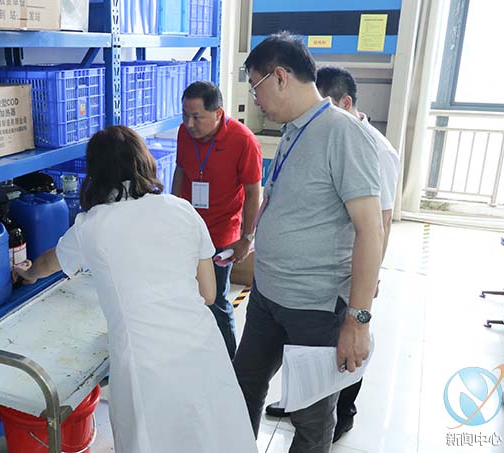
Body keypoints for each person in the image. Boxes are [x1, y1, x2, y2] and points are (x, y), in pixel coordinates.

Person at [14, 126, 258, 453]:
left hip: (145, 360)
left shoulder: (93, 225)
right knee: (212, 434)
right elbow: (208, 294)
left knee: (152, 440)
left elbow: (48, 263)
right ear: (145, 162)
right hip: (199, 348)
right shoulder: (182, 209)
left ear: (95, 174)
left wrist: (27, 273)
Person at [233, 32, 384, 452]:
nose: (256, 100)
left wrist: (357, 321)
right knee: (243, 386)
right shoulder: (295, 129)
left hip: (314, 307)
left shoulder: (343, 133)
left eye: (256, 86)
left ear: (280, 77)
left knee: (311, 416)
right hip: (267, 295)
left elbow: (371, 229)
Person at [265, 65, 401, 441]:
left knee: (342, 357)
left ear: (343, 103)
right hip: (302, 276)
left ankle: (342, 414)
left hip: (341, 278)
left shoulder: (374, 148)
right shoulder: (310, 132)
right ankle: (301, 402)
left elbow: (379, 223)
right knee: (309, 361)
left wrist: (365, 289)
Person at [172, 81, 262, 359]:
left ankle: (227, 361)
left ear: (218, 113)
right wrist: (173, 211)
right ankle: (192, 353)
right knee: (185, 294)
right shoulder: (185, 133)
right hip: (188, 229)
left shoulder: (243, 140)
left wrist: (247, 238)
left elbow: (253, 193)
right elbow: (180, 171)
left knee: (215, 299)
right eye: (185, 115)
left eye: (196, 116)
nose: (189, 124)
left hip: (221, 234)